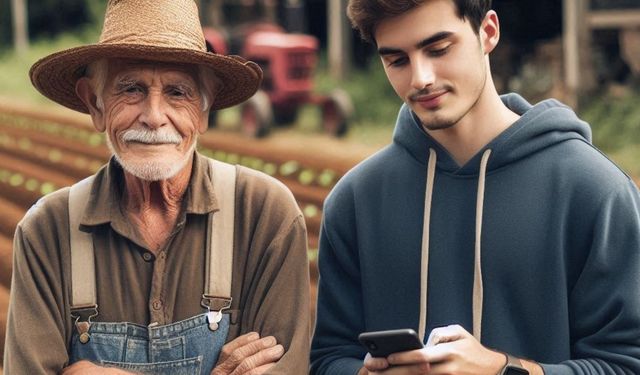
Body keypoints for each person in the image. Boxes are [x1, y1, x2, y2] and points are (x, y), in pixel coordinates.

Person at [310, 0, 640, 374]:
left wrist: (504, 369)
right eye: (397, 60)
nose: (421, 78)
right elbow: (327, 359)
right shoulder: (355, 200)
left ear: (488, 32)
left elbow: (625, 365)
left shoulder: (595, 191)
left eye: (438, 50)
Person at [3, 0, 310, 374]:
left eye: (178, 93)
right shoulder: (47, 231)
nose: (153, 116)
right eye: (131, 89)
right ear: (95, 104)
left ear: (204, 110)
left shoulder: (263, 213)